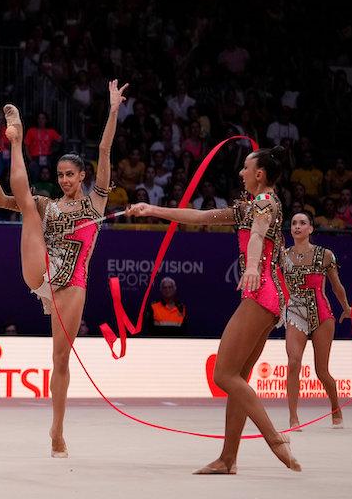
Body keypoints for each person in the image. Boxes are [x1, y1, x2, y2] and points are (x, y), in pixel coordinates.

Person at [128, 146, 301, 474]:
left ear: (259, 174)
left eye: (246, 168)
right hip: (270, 295)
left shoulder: (265, 203)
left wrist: (251, 266)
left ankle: (274, 438)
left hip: (261, 292)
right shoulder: (249, 206)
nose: (241, 173)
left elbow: (257, 237)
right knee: (238, 377)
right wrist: (152, 208)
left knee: (223, 375)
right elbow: (201, 216)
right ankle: (228, 459)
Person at [0, 80, 126, 458]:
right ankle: (17, 139)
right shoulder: (50, 205)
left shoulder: (96, 203)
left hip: (73, 283)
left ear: (83, 176)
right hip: (43, 270)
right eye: (60, 174)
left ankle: (57, 431)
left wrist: (112, 110)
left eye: (70, 175)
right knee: (28, 204)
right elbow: (1, 200)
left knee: (59, 358)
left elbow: (106, 148)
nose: (63, 179)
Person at [282, 212, 352, 431]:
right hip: (295, 313)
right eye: (294, 223)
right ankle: (293, 418)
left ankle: (336, 408)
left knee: (321, 372)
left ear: (311, 229)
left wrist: (347, 308)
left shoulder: (325, 255)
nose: (297, 226)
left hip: (322, 315)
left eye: (302, 223)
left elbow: (337, 286)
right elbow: (278, 286)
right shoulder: (283, 256)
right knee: (293, 363)